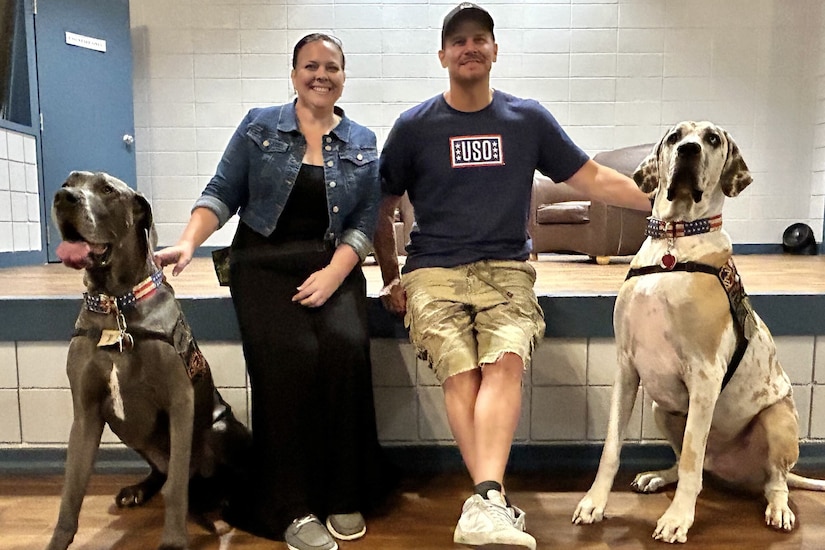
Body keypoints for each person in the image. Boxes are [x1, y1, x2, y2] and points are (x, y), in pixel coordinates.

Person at [373, 4, 652, 549]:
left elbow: (592, 177)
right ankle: (491, 500)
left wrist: (665, 204)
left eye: (481, 38)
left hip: (506, 270)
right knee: (461, 372)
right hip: (432, 270)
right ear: (442, 56)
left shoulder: (527, 119)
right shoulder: (414, 126)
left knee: (503, 362)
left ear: (495, 50)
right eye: (458, 41)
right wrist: (390, 277)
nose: (470, 47)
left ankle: (485, 501)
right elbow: (381, 209)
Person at [154, 33, 394, 550]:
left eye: (331, 67)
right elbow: (221, 191)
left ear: (343, 77)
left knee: (346, 350)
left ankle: (343, 491)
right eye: (310, 66)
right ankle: (290, 503)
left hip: (334, 265)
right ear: (293, 75)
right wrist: (187, 242)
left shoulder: (362, 140)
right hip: (263, 265)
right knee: (291, 358)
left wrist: (334, 273)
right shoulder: (260, 125)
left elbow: (364, 220)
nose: (321, 75)